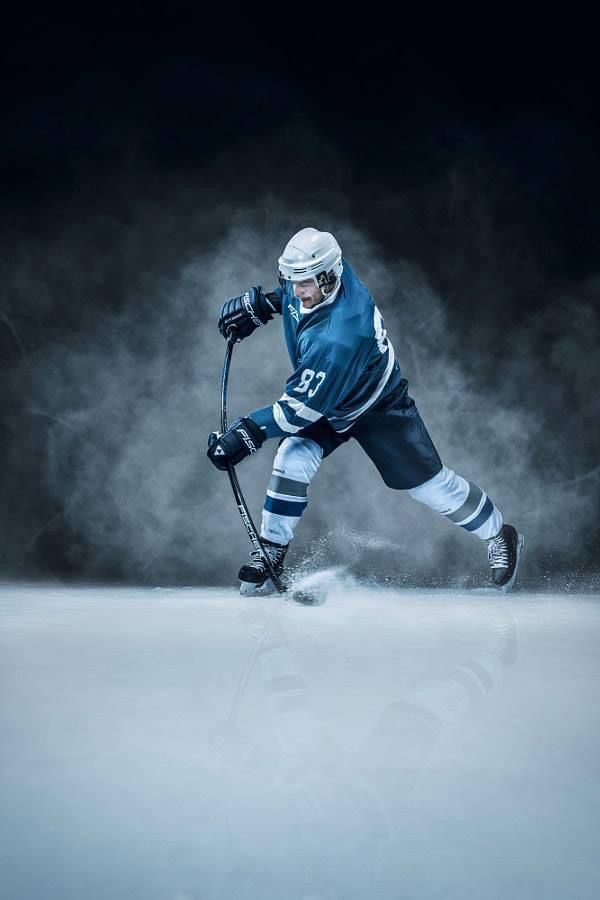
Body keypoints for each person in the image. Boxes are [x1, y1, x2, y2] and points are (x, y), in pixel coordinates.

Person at [208, 228, 524, 594]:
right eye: (290, 281)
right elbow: (293, 295)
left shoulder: (342, 334)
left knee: (430, 487)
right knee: (292, 458)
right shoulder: (318, 278)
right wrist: (265, 304)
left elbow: (298, 412)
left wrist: (247, 432)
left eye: (303, 283)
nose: (296, 292)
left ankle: (500, 533)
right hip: (329, 396)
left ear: (329, 278)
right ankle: (272, 551)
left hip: (378, 405)